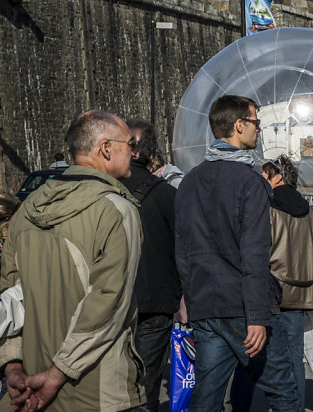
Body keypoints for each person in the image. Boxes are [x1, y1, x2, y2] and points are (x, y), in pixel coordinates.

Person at [0, 110, 144, 410]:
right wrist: (57, 373)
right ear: (105, 148)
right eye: (129, 144)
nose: (135, 152)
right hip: (98, 391)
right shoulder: (117, 211)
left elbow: (4, 298)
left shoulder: (25, 211)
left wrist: (11, 364)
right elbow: (108, 302)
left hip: (30, 386)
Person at [175, 95, 298, 411]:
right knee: (284, 391)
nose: (259, 129)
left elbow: (182, 251)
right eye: (256, 122)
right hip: (243, 308)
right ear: (238, 125)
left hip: (205, 305)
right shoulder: (250, 182)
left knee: (206, 397)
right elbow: (255, 254)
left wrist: (190, 299)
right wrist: (257, 317)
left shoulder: (189, 182)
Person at [231, 155, 313, 412]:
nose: (260, 179)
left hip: (271, 289)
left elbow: (258, 249)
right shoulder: (309, 210)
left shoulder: (266, 207)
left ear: (276, 177)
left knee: (252, 354)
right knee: (294, 360)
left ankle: (240, 407)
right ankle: (296, 407)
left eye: (264, 175)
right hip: (302, 292)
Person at [122, 118, 181, 412]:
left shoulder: (101, 191)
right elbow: (181, 251)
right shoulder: (168, 195)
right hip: (156, 301)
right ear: (150, 153)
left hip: (112, 300)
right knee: (147, 382)